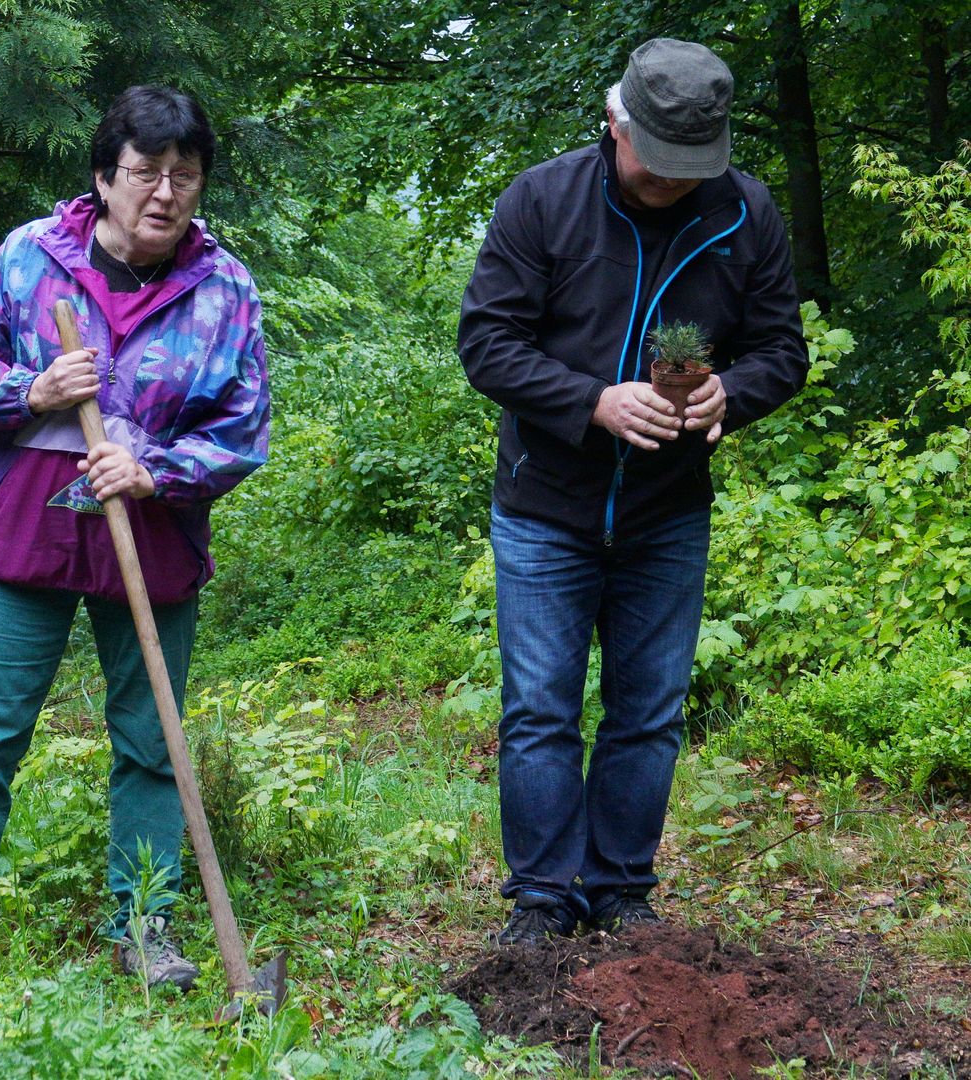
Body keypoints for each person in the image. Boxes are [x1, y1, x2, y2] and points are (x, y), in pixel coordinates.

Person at [0, 84, 269, 989]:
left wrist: (157, 470)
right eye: (145, 172)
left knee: (152, 743)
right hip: (27, 535)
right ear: (106, 177)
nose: (165, 193)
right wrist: (29, 391)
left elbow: (242, 430)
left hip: (153, 539)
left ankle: (145, 928)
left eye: (185, 176)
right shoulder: (31, 261)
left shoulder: (223, 287)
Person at [457, 38, 808, 945]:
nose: (672, 183)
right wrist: (592, 403)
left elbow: (782, 351)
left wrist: (739, 390)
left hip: (667, 512)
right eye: (656, 165)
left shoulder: (746, 212)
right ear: (615, 124)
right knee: (540, 710)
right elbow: (487, 343)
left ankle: (620, 893)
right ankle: (541, 900)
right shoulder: (542, 201)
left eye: (691, 168)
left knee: (649, 715)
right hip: (546, 509)